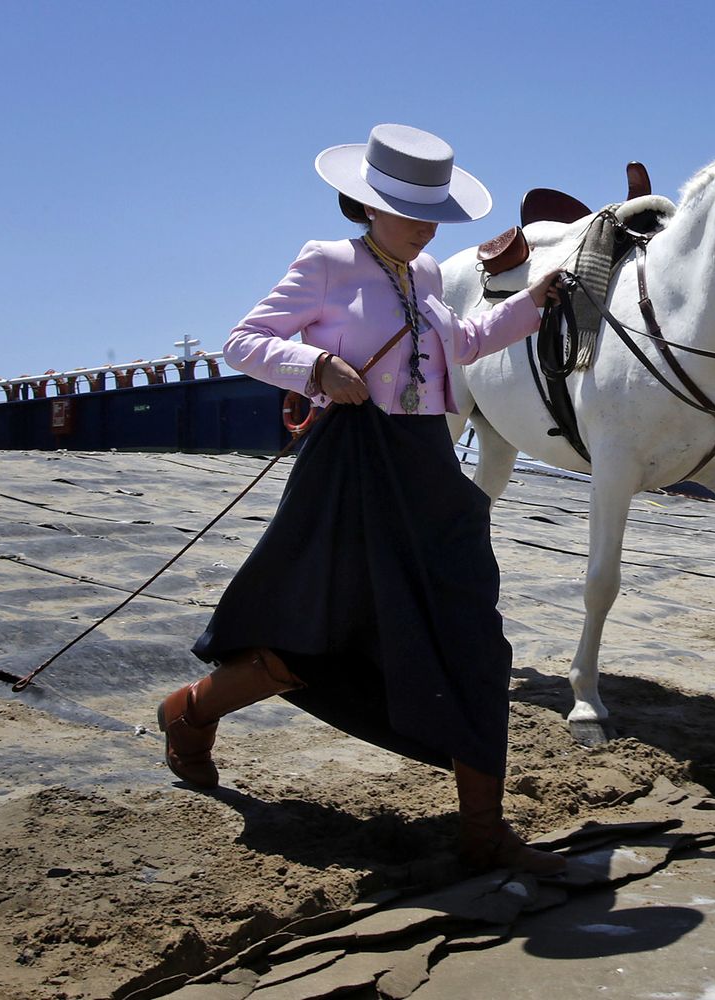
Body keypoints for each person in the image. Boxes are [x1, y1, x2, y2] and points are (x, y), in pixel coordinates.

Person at [155, 124, 565, 875]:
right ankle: (190, 711)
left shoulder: (431, 275)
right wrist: (314, 366)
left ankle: (484, 831)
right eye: (409, 211)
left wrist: (533, 300)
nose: (423, 227)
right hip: (350, 469)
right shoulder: (327, 263)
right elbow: (245, 342)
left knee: (474, 634)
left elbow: (462, 344)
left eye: (432, 213)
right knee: (317, 633)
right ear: (369, 205)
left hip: (429, 470)